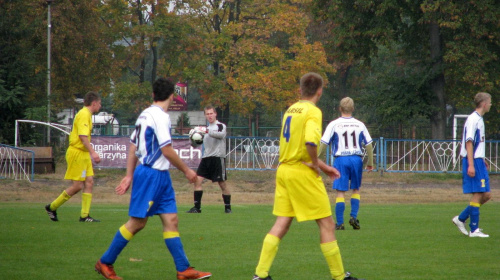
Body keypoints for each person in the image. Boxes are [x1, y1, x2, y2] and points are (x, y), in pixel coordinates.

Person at [94, 78, 212, 280]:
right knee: (137, 223)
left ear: (153, 95)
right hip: (150, 175)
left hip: (161, 177)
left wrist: (129, 174)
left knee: (171, 220)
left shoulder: (144, 115)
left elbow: (133, 146)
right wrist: (187, 171)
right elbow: (166, 150)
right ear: (172, 96)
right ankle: (105, 262)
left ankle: (183, 269)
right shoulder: (160, 117)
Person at [252, 73, 363, 280]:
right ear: (319, 91)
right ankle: (340, 276)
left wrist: (323, 166)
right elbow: (311, 143)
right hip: (302, 173)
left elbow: (296, 148)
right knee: (327, 224)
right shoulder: (313, 111)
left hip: (284, 170)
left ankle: (260, 274)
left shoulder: (290, 110)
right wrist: (315, 164)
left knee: (282, 222)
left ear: (300, 90)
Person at [44, 91, 102, 222]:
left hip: (83, 154)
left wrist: (89, 153)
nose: (100, 106)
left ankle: (84, 216)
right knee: (77, 186)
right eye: (99, 103)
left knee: (89, 182)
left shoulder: (87, 114)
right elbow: (82, 136)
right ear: (94, 103)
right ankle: (52, 207)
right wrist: (93, 152)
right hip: (77, 153)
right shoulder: (84, 114)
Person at [319, 97, 374, 230]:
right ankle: (353, 217)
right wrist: (370, 162)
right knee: (355, 189)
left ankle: (340, 223)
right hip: (356, 159)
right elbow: (368, 144)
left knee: (340, 192)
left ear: (340, 109)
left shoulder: (334, 124)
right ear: (353, 109)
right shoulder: (360, 124)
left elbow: (324, 143)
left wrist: (316, 158)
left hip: (341, 160)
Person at [452, 92, 492, 238]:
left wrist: (482, 158)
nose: (491, 105)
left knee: (486, 195)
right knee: (478, 193)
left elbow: (477, 143)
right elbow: (469, 142)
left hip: (478, 160)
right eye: (490, 102)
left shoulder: (479, 119)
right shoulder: (473, 119)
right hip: (473, 161)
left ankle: (461, 218)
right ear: (484, 104)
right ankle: (474, 229)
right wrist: (471, 164)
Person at [187, 105, 231, 213]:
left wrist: (206, 131)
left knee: (222, 184)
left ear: (215, 114)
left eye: (211, 113)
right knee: (197, 181)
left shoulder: (220, 125)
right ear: (205, 116)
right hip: (206, 158)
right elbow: (196, 143)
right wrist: (192, 139)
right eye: (207, 114)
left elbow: (220, 135)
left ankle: (228, 208)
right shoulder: (203, 130)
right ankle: (197, 208)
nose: (210, 116)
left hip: (217, 158)